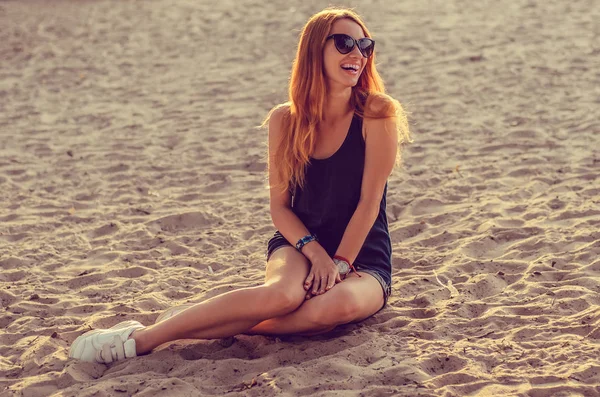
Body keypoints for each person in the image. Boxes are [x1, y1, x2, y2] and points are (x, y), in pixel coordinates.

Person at [68, 6, 410, 364]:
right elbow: (280, 207)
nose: (357, 53)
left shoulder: (377, 112)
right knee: (281, 296)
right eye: (344, 43)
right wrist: (315, 254)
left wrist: (338, 264)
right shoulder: (284, 119)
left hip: (362, 258)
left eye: (364, 45)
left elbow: (369, 203)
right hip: (300, 242)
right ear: (314, 50)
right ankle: (139, 339)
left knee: (332, 308)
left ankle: (203, 320)